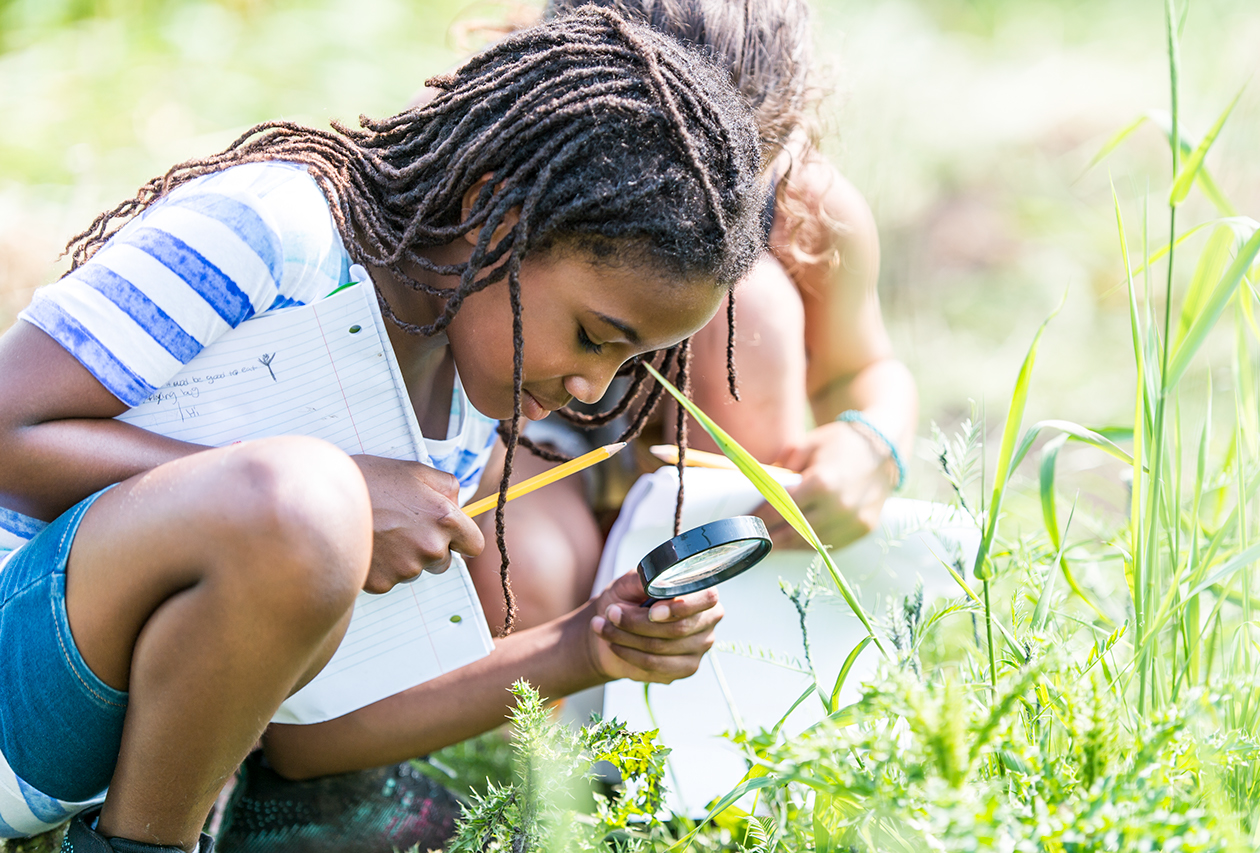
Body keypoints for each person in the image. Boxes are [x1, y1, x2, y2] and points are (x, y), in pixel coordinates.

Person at [0, 8, 765, 852]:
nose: (593, 385)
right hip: (20, 668)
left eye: (630, 364)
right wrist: (335, 495)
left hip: (76, 764)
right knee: (306, 501)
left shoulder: (466, 406)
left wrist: (587, 644)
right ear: (495, 212)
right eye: (593, 335)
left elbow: (302, 736)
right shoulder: (277, 230)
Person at [466, 0, 920, 634]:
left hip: (703, 456)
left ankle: (733, 652)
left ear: (781, 141)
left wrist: (871, 445)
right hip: (528, 434)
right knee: (526, 573)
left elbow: (863, 367)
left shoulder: (806, 208)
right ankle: (552, 710)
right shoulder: (496, 153)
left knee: (750, 307)